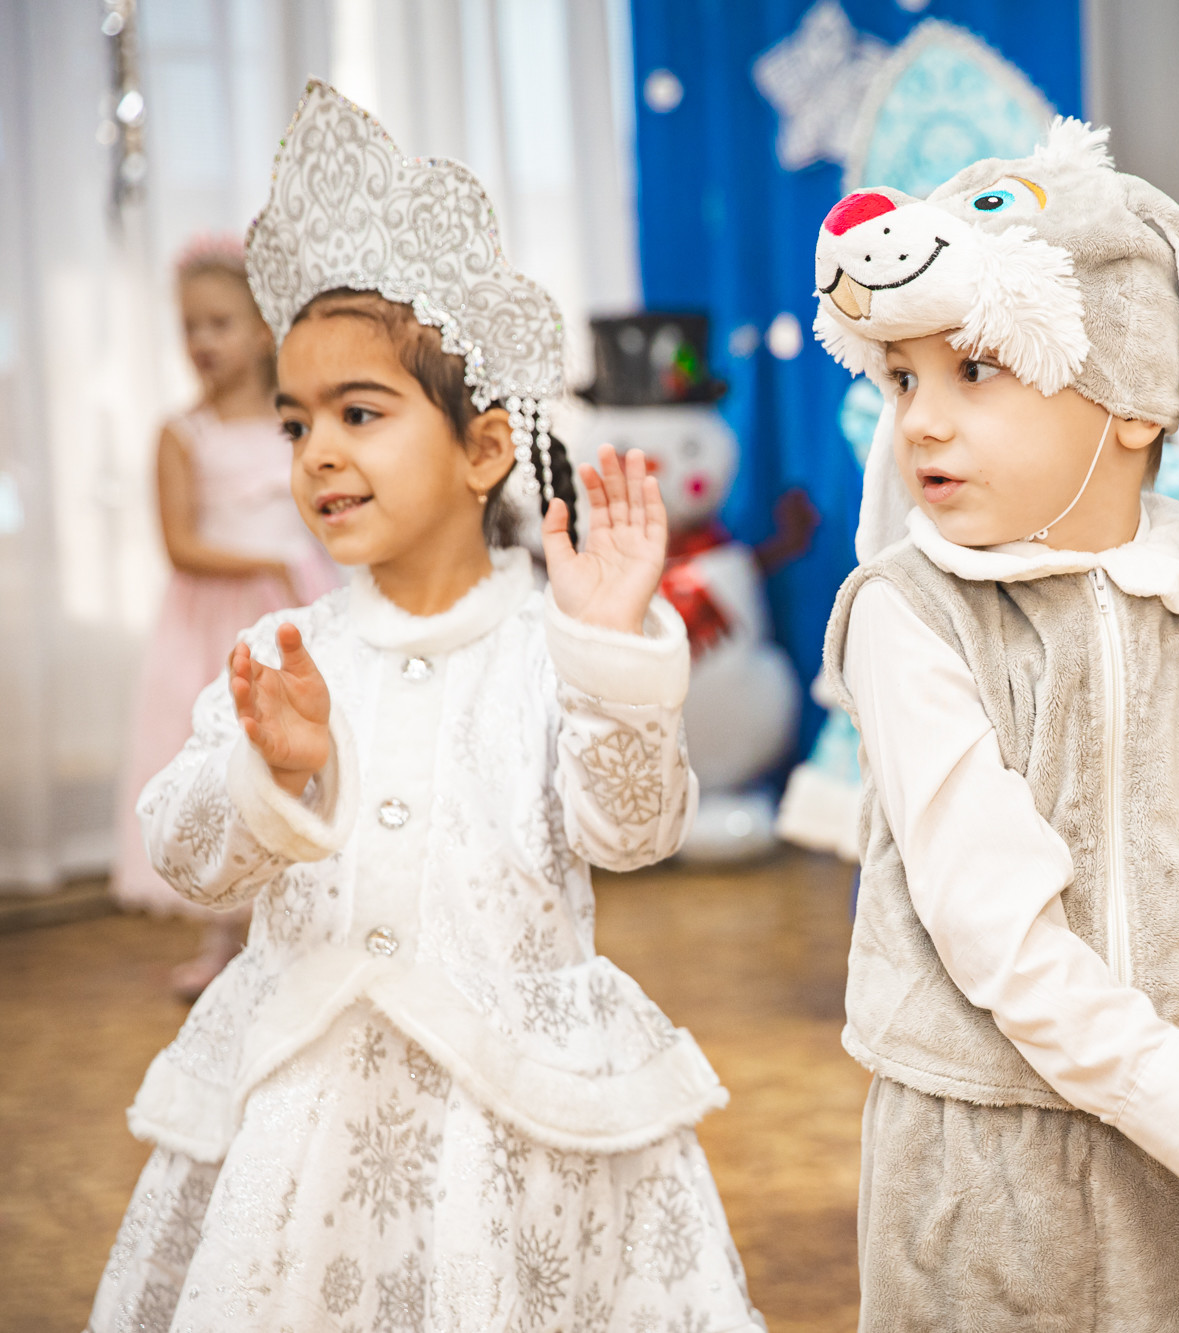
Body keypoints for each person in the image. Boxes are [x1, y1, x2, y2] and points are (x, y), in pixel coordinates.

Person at [88, 83, 761, 1333]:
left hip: (517, 1119)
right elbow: (185, 849)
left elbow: (632, 830)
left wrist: (608, 648)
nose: (316, 453)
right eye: (296, 423)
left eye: (359, 413)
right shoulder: (285, 651)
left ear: (484, 448)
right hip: (305, 1123)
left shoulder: (552, 643)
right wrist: (276, 772)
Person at [812, 119, 1179, 1326]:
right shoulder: (907, 611)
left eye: (972, 370)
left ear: (1132, 398)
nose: (919, 420)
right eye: (903, 378)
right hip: (985, 1175)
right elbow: (995, 931)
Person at [111, 235, 339, 1000]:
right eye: (190, 326)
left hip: (296, 610)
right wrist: (268, 563)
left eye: (220, 323)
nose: (203, 341)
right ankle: (222, 938)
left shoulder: (295, 420)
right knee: (219, 759)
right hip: (212, 623)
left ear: (264, 331)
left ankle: (303, 928)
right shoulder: (183, 434)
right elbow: (180, 544)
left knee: (302, 758)